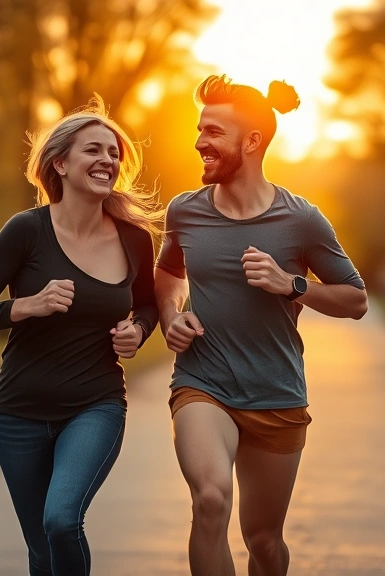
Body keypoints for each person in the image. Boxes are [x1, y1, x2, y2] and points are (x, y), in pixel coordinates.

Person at [155, 75, 368, 576]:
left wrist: (291, 284)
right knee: (210, 501)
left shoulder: (302, 220)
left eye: (213, 131)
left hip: (276, 394)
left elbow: (355, 299)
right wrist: (171, 315)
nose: (199, 141)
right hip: (202, 384)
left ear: (251, 141)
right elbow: (166, 273)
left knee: (264, 540)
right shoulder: (184, 211)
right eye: (199, 129)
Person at [0, 96, 160, 576]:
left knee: (62, 521)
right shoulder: (25, 231)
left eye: (113, 153)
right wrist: (27, 305)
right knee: (42, 550)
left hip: (96, 405)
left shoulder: (133, 238)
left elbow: (148, 303)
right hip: (19, 412)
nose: (107, 160)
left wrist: (139, 329)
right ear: (60, 163)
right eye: (93, 150)